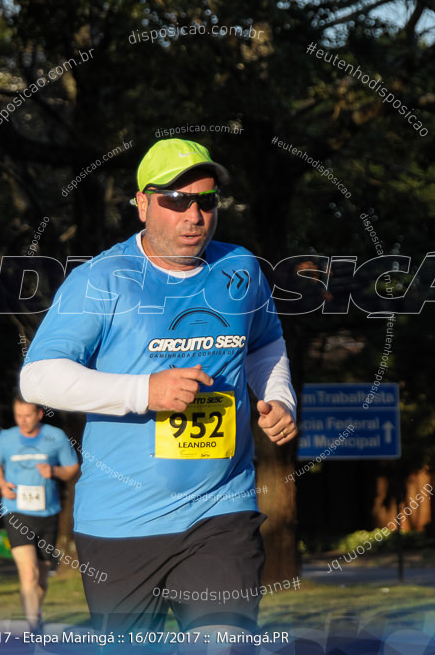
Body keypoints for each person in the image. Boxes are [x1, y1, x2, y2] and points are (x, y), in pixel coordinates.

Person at [20, 138, 297, 637]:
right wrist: (144, 392)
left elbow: (264, 344)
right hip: (120, 524)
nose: (195, 215)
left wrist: (277, 396)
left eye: (207, 201)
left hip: (221, 509)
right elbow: (38, 376)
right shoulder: (102, 280)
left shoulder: (241, 269)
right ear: (143, 204)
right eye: (176, 201)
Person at [0, 397, 78, 632]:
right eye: (18, 416)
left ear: (39, 414)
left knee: (42, 576)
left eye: (27, 416)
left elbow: (72, 468)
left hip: (48, 513)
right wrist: (1, 483)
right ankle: (33, 627)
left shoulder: (55, 436)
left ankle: (34, 611)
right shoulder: (5, 438)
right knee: (29, 572)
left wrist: (55, 470)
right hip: (16, 511)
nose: (22, 421)